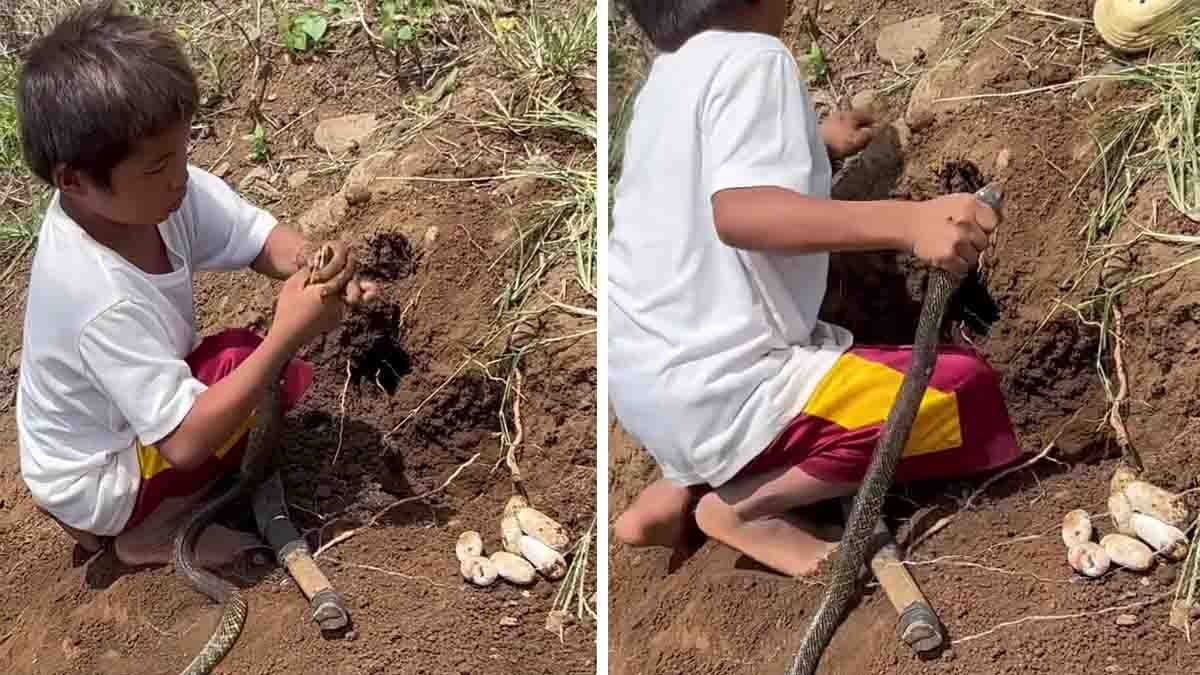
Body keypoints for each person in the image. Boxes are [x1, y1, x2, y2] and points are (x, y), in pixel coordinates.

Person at [609, 0, 1024, 576]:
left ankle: (677, 489)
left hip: (654, 389)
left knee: (751, 395)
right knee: (964, 394)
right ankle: (743, 508)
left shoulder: (666, 77)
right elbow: (743, 215)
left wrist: (813, 145)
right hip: (725, 390)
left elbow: (708, 186)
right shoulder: (757, 58)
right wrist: (910, 222)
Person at [14, 1, 377, 568]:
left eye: (183, 152)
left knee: (242, 366)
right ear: (74, 181)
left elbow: (256, 238)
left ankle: (136, 514)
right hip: (98, 482)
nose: (182, 175)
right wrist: (286, 335)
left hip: (111, 442)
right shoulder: (96, 296)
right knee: (257, 371)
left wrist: (313, 265)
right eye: (159, 166)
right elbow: (183, 443)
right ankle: (151, 531)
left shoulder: (152, 197)